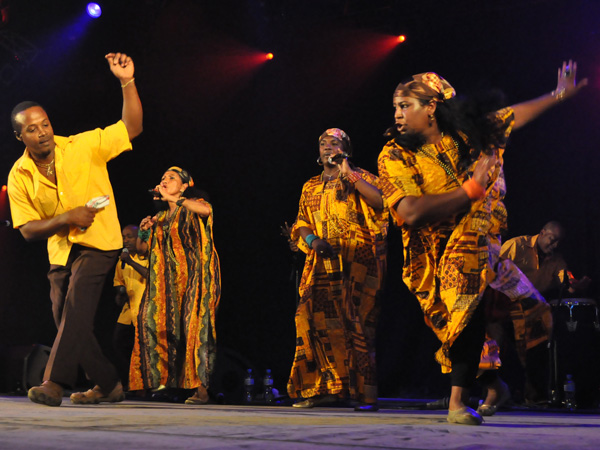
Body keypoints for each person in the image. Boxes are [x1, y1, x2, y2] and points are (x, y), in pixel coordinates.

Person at [377, 62, 586, 424]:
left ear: (431, 107)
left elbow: (511, 116)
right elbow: (411, 212)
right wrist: (469, 189)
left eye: (405, 105)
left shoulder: (468, 133)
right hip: (428, 251)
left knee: (466, 292)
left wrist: (560, 94)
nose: (396, 113)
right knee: (451, 325)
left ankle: (457, 401)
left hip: (476, 236)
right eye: (395, 106)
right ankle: (496, 386)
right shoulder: (394, 155)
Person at [7, 52, 143, 407]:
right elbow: (26, 229)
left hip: (99, 243)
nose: (42, 133)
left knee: (77, 303)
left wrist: (126, 81)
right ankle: (109, 383)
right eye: (32, 129)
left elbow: (132, 127)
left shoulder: (82, 146)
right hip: (60, 251)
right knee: (64, 316)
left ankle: (54, 382)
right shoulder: (18, 175)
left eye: (45, 124)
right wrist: (67, 217)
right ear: (20, 135)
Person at [287, 128, 389, 411]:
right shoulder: (310, 186)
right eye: (322, 143)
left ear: (347, 149)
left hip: (359, 263)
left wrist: (348, 172)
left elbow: (382, 203)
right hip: (321, 265)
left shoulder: (362, 177)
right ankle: (325, 389)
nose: (327, 147)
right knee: (312, 323)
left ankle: (362, 394)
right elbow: (301, 221)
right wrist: (312, 240)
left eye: (334, 143)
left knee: (356, 325)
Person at [129, 166, 221, 406]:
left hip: (197, 278)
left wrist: (174, 199)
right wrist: (143, 231)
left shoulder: (194, 205)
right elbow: (140, 250)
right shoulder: (160, 219)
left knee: (195, 330)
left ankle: (202, 390)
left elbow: (205, 210)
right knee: (156, 323)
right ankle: (169, 385)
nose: (165, 180)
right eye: (162, 178)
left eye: (171, 178)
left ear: (184, 186)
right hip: (169, 284)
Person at [501, 221, 592, 300]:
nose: (556, 245)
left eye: (559, 242)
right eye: (552, 240)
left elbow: (566, 281)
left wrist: (575, 283)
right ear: (542, 233)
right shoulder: (517, 245)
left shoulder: (557, 259)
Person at [113, 224, 148, 392]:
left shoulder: (148, 255)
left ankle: (143, 387)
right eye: (123, 237)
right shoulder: (122, 260)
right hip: (128, 310)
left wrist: (131, 262)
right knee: (117, 344)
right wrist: (120, 293)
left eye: (129, 237)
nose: (125, 240)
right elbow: (119, 282)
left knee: (143, 349)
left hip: (146, 310)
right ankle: (127, 382)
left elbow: (151, 275)